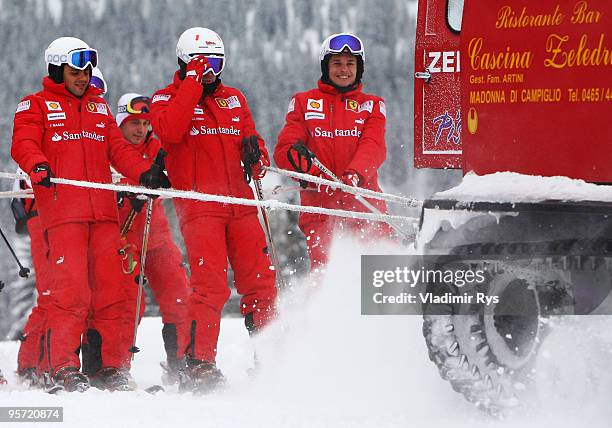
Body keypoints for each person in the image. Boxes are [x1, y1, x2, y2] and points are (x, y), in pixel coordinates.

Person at [11, 37, 169, 392]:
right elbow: (23, 142)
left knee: (110, 292)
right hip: (63, 214)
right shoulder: (34, 105)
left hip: (102, 216)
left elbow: (118, 150)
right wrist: (37, 164)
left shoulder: (98, 108)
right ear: (56, 69)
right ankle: (62, 366)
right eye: (74, 71)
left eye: (85, 71)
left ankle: (107, 367)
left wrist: (144, 172)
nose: (82, 77)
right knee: (71, 293)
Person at [150, 27, 277, 392]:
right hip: (200, 206)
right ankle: (198, 363)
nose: (210, 70)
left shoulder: (234, 99)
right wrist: (191, 82)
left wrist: (257, 155)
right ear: (185, 62)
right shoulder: (166, 98)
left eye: (216, 62)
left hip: (240, 204)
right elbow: (170, 132)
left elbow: (251, 140)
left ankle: (271, 359)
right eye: (202, 63)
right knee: (210, 286)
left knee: (261, 283)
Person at [13, 66, 107, 389]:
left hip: (83, 213)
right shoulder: (43, 112)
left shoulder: (96, 123)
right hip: (48, 213)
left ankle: (45, 363)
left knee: (77, 293)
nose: (87, 88)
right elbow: (25, 153)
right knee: (57, 292)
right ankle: (37, 364)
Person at [87, 92, 191, 384]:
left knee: (179, 291)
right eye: (133, 122)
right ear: (119, 123)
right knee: (128, 301)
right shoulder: (109, 147)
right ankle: (113, 367)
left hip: (155, 234)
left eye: (145, 123)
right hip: (120, 237)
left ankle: (181, 361)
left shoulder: (156, 147)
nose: (140, 129)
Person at [274, 33, 392, 271]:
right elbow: (285, 151)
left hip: (365, 207)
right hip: (321, 212)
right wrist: (313, 174)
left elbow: (374, 145)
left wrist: (355, 175)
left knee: (381, 276)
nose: (344, 70)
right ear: (325, 66)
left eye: (350, 63)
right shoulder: (303, 103)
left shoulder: (372, 105)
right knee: (331, 277)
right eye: (336, 63)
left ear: (359, 68)